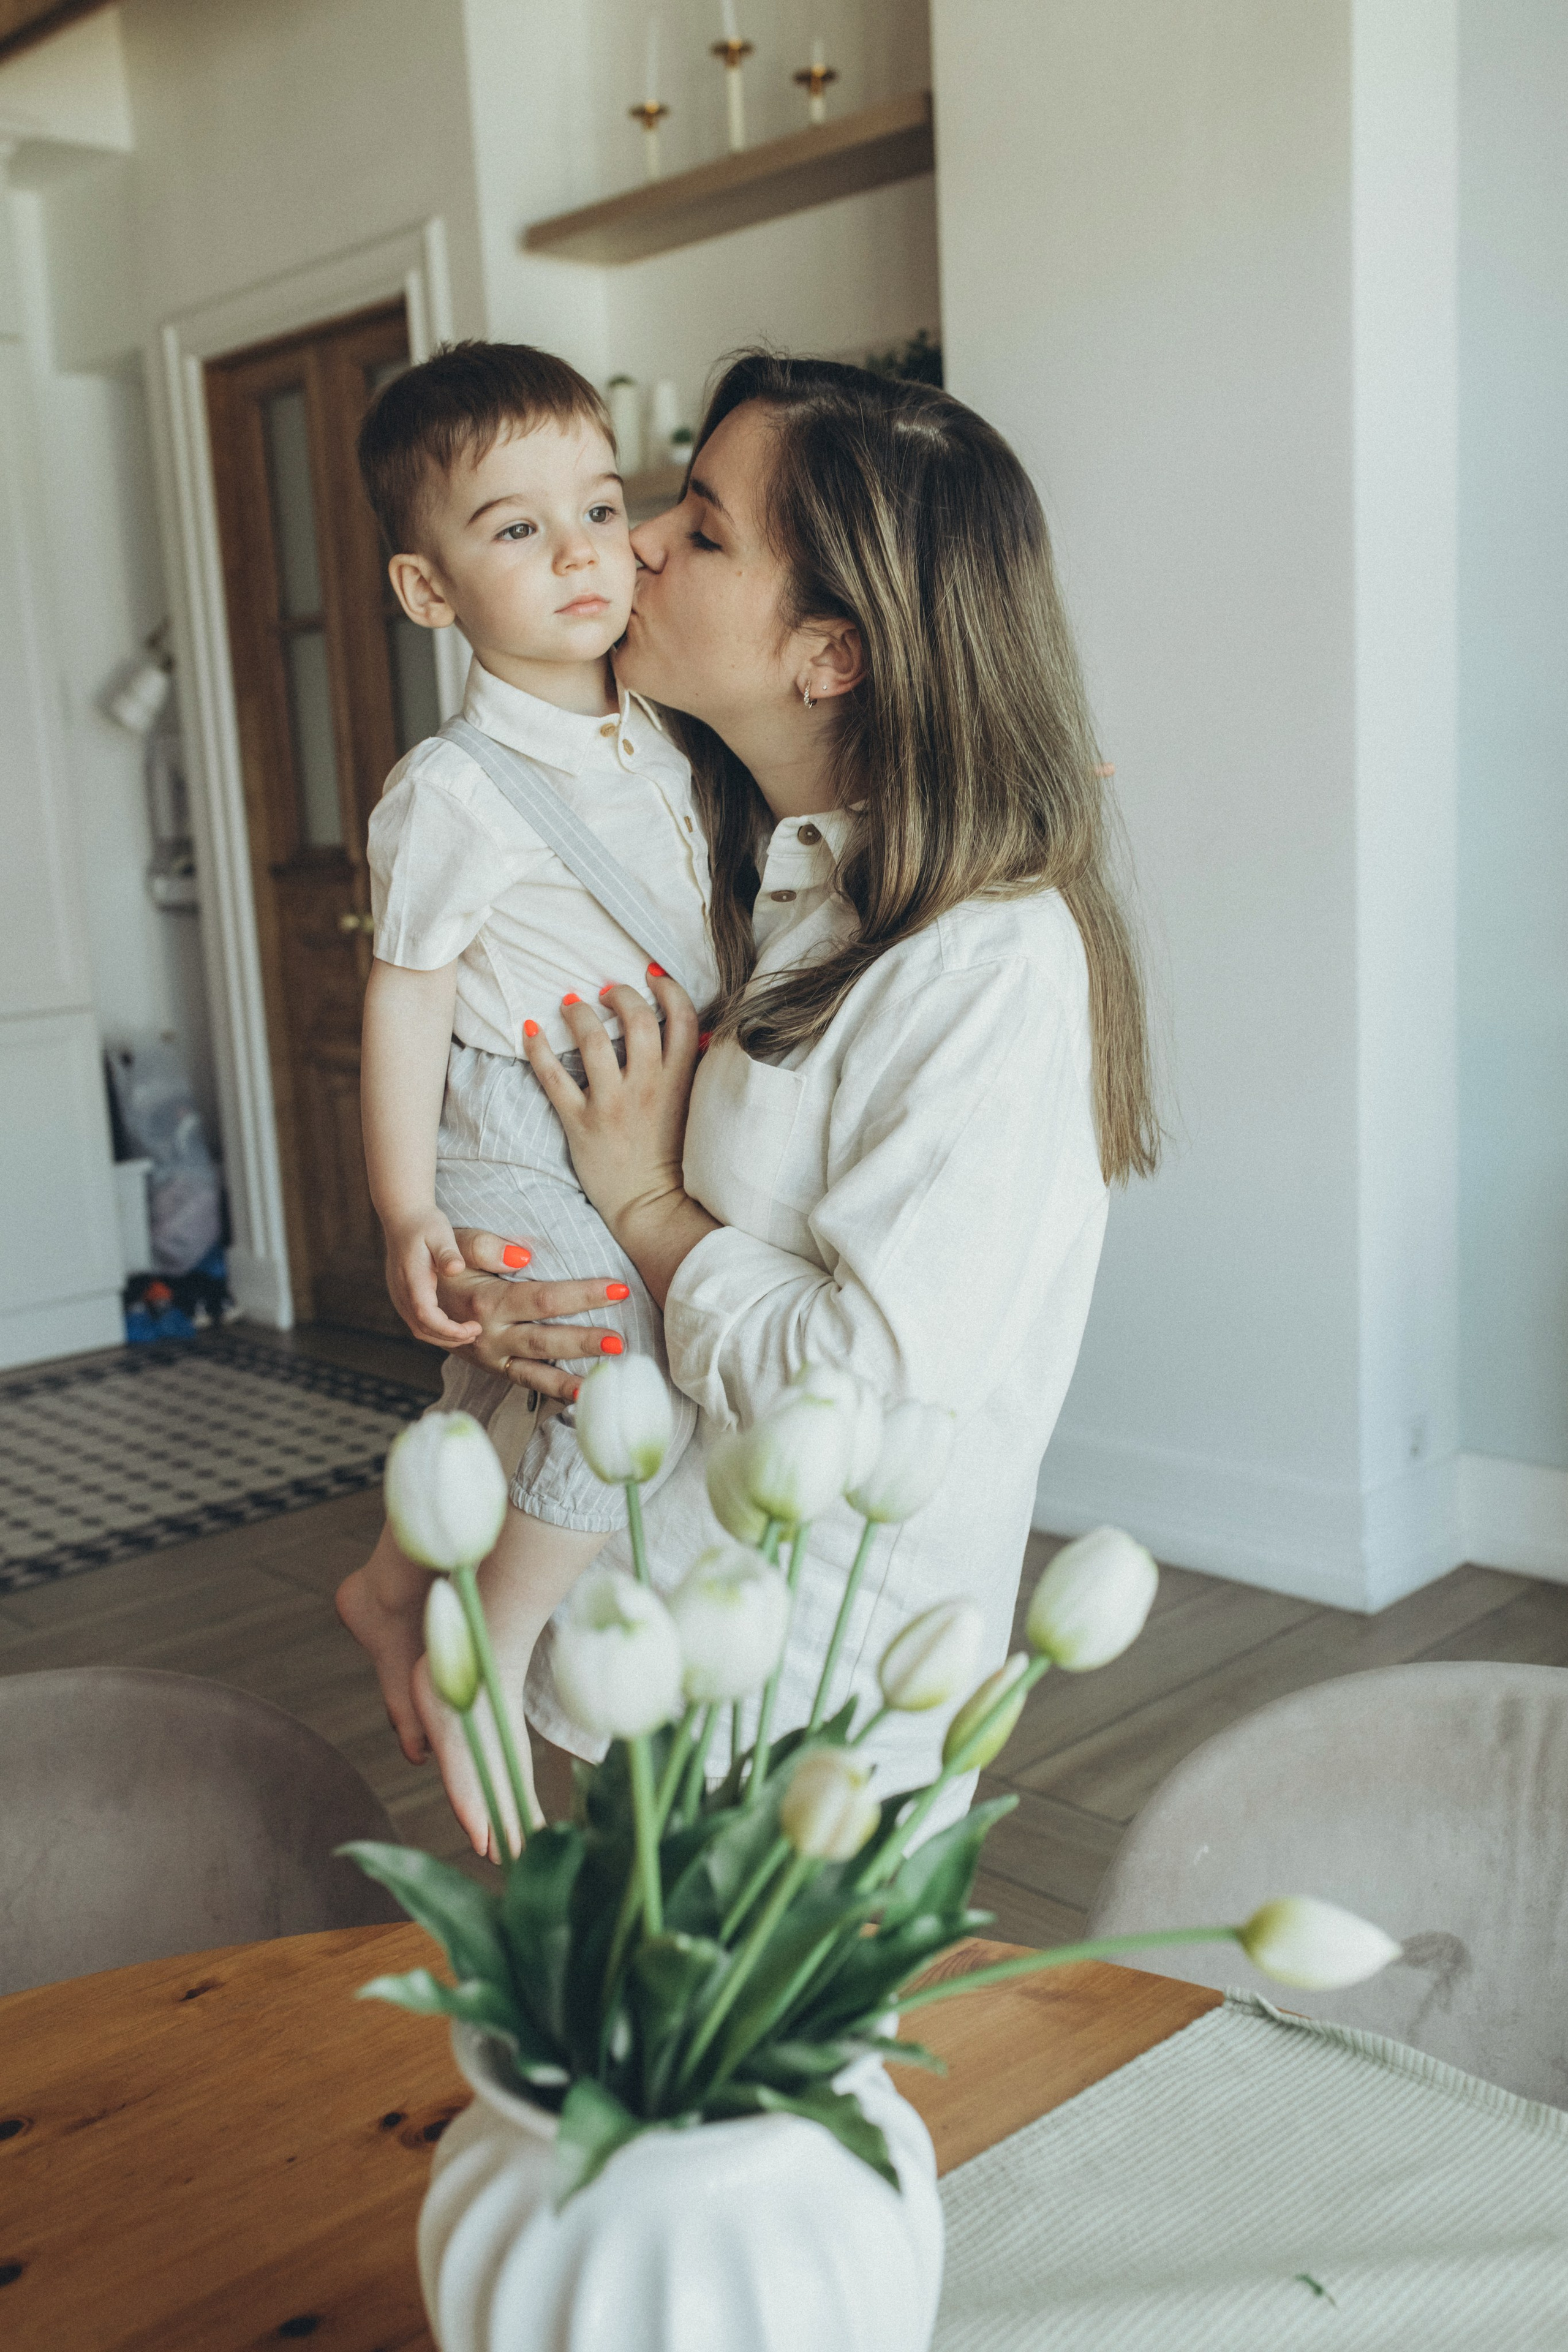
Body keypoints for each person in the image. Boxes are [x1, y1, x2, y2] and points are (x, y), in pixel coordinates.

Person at [420, 351, 1159, 1855]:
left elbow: (856, 1388)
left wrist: (644, 1210)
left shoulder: (988, 964)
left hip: (799, 1727)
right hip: (643, 1643)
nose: (629, 546)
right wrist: (541, 1282)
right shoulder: (755, 870)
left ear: (831, 656)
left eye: (697, 529)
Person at [334, 343, 718, 1826]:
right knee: (616, 1380)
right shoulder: (452, 793)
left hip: (622, 1122)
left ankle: (388, 1585)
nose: (583, 551)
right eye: (514, 528)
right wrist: (403, 1208)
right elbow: (408, 993)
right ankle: (480, 1647)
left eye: (601, 506)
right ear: (429, 594)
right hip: (508, 1124)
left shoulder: (667, 735)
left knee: (532, 1387)